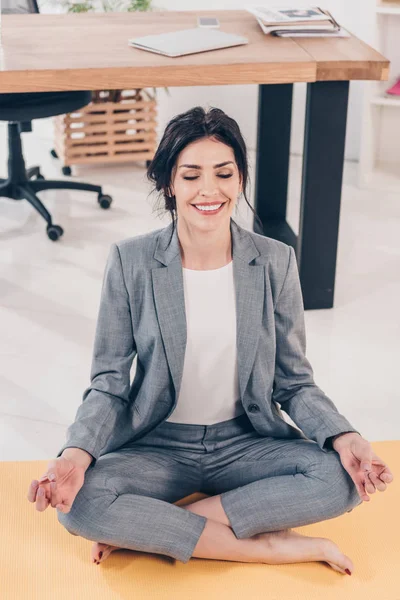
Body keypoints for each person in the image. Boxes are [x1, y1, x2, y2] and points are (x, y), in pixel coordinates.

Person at [27, 106, 393, 574]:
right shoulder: (130, 261)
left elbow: (294, 382)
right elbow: (109, 384)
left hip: (245, 441)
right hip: (158, 444)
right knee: (77, 504)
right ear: (169, 184)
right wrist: (76, 455)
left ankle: (153, 531)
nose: (208, 190)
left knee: (340, 480)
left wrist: (346, 436)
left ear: (240, 179)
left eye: (224, 173)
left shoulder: (275, 261)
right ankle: (273, 547)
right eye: (191, 175)